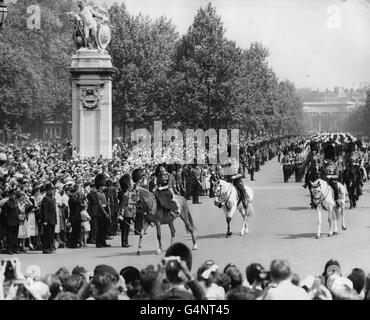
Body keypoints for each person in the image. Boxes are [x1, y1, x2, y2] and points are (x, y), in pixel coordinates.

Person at [40, 183, 57, 254]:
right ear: (47, 190)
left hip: (52, 219)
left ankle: (50, 247)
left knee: (51, 235)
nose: (52, 191)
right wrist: (45, 220)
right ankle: (46, 248)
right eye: (51, 190)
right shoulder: (46, 199)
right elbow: (45, 210)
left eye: (52, 190)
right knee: (47, 234)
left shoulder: (51, 198)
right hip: (48, 219)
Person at [2, 189, 20, 254]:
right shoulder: (7, 203)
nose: (14, 196)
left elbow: (17, 211)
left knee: (15, 236)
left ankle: (14, 248)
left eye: (15, 194)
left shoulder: (15, 202)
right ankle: (9, 249)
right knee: (9, 236)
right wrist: (7, 221)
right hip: (10, 222)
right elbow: (4, 214)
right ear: (10, 195)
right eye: (13, 194)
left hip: (16, 221)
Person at [95, 174, 111, 248]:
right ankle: (98, 243)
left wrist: (107, 203)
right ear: (100, 186)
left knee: (104, 228)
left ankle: (103, 241)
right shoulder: (97, 194)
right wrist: (105, 213)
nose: (105, 187)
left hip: (105, 210)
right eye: (103, 186)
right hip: (100, 213)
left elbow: (104, 203)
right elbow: (100, 205)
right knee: (100, 228)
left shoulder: (103, 193)